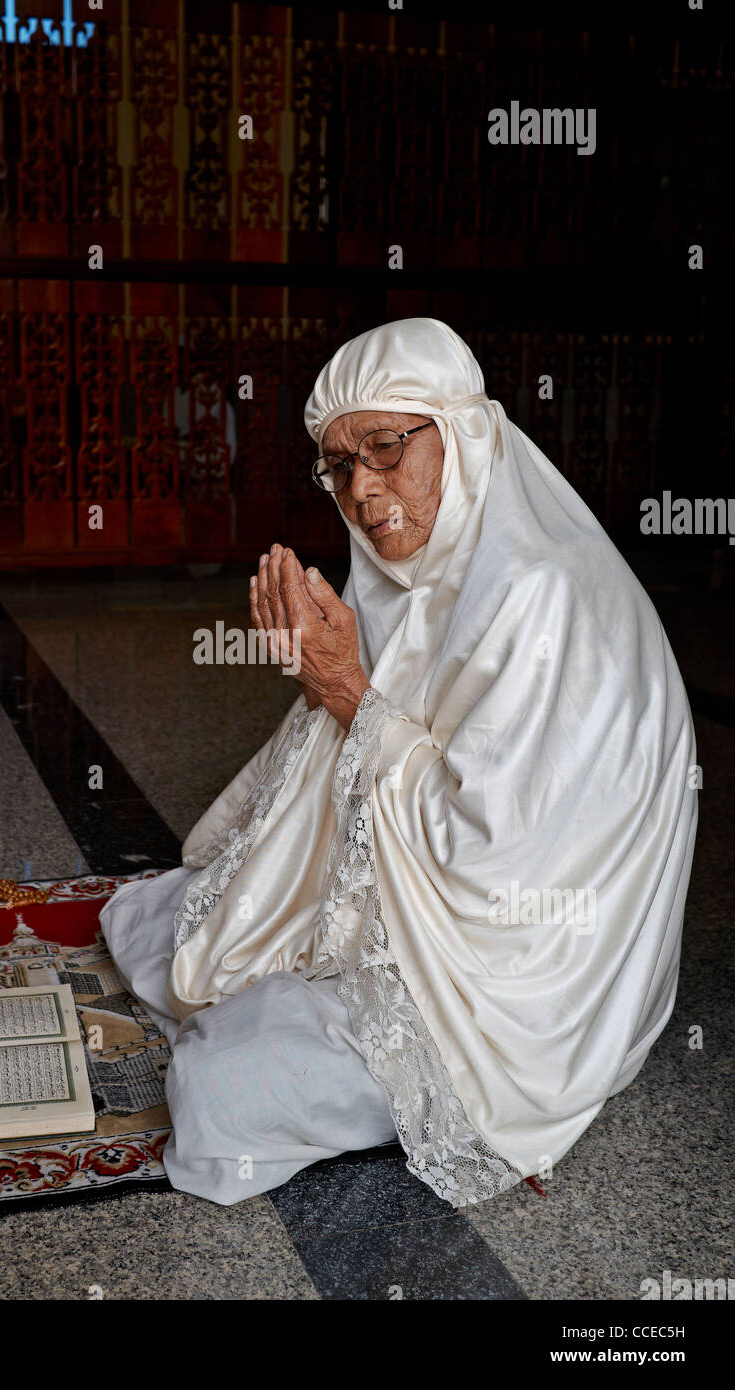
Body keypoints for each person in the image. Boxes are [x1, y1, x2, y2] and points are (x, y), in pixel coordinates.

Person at [100, 317, 697, 1209]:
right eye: (338, 465)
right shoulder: (407, 568)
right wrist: (321, 681)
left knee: (219, 1083)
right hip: (416, 906)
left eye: (385, 448)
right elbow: (349, 752)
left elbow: (490, 859)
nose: (362, 492)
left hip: (518, 984)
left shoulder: (540, 596)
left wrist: (345, 690)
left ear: (459, 433)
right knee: (158, 923)